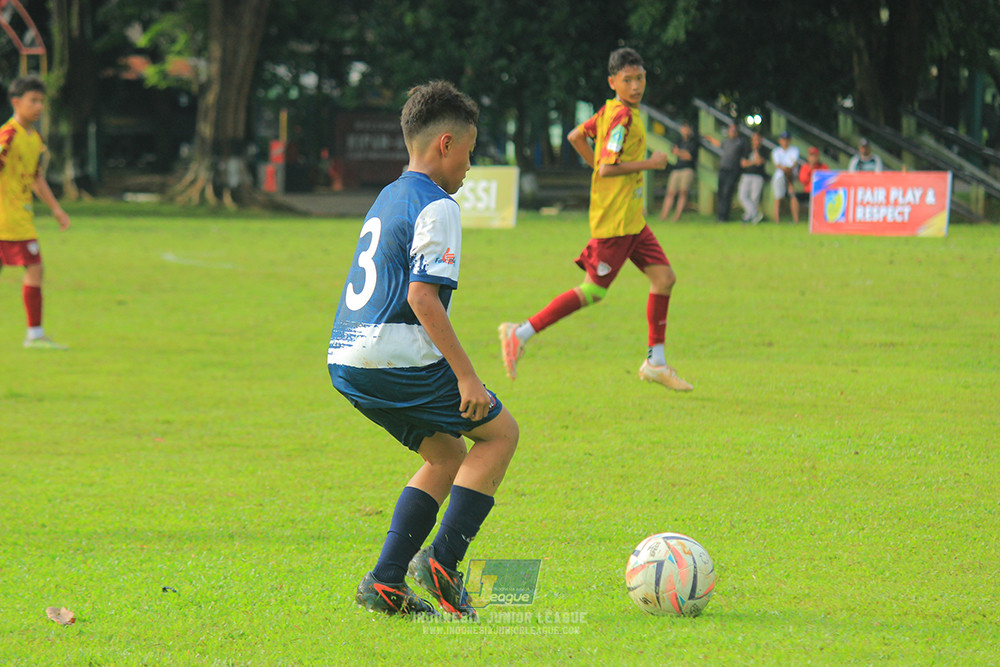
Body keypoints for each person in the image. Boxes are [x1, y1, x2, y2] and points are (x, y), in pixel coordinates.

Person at [328, 81, 519, 620]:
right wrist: (467, 377)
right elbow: (421, 297)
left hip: (346, 358)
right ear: (446, 144)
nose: (469, 167)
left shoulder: (389, 194)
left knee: (446, 454)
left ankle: (385, 582)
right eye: (469, 152)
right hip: (393, 355)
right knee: (500, 434)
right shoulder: (439, 205)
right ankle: (442, 563)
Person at [499, 48, 692, 392]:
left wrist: (599, 168)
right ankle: (520, 332)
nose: (636, 86)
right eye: (628, 80)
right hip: (615, 222)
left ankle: (656, 363)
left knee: (664, 279)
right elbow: (607, 167)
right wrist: (649, 164)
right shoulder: (622, 118)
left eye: (640, 78)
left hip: (632, 220)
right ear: (613, 82)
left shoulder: (609, 111)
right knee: (593, 291)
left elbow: (576, 137)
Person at [0, 76, 71, 349]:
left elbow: (36, 178)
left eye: (41, 101)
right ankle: (35, 334)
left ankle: (35, 334)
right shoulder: (9, 134)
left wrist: (56, 209)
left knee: (33, 268)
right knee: (35, 267)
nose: (39, 106)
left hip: (20, 216)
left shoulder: (35, 138)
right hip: (9, 219)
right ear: (16, 102)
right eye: (33, 101)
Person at [705, 122, 745, 222]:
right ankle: (720, 215)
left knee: (727, 192)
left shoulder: (740, 142)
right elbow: (719, 144)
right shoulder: (726, 141)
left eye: (734, 131)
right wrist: (710, 139)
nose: (732, 132)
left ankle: (725, 216)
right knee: (721, 192)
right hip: (723, 169)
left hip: (733, 170)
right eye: (730, 130)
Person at [659, 120, 698, 221]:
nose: (685, 130)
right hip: (677, 169)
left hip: (688, 169)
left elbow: (689, 156)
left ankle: (677, 216)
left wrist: (679, 152)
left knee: (683, 192)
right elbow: (674, 151)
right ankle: (664, 215)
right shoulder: (678, 141)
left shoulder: (693, 142)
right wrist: (682, 153)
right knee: (670, 192)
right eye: (683, 128)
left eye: (687, 128)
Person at [738, 131, 768, 224]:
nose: (755, 141)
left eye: (757, 139)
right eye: (754, 139)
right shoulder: (747, 149)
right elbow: (743, 163)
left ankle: (749, 217)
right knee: (742, 196)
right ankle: (755, 214)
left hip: (758, 176)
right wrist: (754, 162)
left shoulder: (763, 150)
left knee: (754, 198)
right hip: (746, 175)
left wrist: (755, 151)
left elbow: (759, 162)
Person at [771, 130, 800, 223]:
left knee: (793, 195)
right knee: (778, 197)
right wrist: (785, 169)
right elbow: (778, 165)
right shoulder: (776, 151)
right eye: (783, 139)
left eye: (787, 139)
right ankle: (777, 220)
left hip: (791, 175)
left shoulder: (794, 150)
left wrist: (788, 172)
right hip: (780, 175)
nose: (785, 141)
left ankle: (796, 220)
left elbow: (794, 164)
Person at [797, 146, 829, 214]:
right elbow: (803, 180)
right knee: (794, 197)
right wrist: (810, 169)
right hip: (808, 192)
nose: (813, 158)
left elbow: (827, 180)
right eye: (811, 156)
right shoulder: (805, 167)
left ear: (818, 157)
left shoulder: (823, 167)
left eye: (815, 156)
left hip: (820, 192)